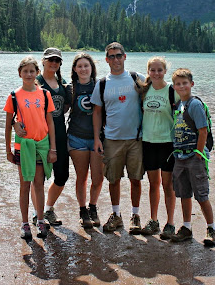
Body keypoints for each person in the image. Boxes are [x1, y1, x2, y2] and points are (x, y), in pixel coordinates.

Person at [91, 42, 145, 233]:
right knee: (113, 179)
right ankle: (116, 214)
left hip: (136, 139)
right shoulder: (102, 83)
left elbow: (157, 89)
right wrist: (98, 138)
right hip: (111, 139)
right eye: (111, 56)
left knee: (135, 179)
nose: (116, 59)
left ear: (125, 56)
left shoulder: (136, 78)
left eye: (118, 55)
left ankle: (135, 216)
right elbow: (97, 112)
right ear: (106, 60)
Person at [4, 56, 57, 240]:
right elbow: (8, 123)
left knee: (39, 184)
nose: (28, 74)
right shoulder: (14, 96)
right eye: (25, 71)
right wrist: (8, 150)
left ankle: (40, 220)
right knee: (24, 184)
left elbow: (50, 121)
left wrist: (53, 148)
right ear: (20, 73)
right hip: (23, 147)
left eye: (32, 71)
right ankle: (25, 223)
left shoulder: (44, 94)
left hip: (42, 144)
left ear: (37, 73)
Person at [169, 68, 215, 246]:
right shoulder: (178, 105)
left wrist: (198, 153)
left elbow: (203, 130)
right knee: (184, 194)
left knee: (201, 195)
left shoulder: (194, 104)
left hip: (195, 157)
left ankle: (211, 229)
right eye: (178, 84)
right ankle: (186, 228)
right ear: (174, 87)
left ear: (191, 84)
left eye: (185, 83)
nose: (182, 86)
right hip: (180, 156)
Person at [138, 57, 177, 239]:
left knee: (168, 185)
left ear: (165, 71)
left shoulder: (172, 90)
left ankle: (170, 223)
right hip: (148, 143)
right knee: (153, 184)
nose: (156, 73)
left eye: (159, 70)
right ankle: (153, 220)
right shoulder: (145, 90)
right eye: (152, 70)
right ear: (148, 72)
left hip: (168, 143)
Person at [35, 47, 71, 226]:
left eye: (57, 60)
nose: (54, 63)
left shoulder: (62, 82)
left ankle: (48, 209)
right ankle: (38, 213)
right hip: (40, 137)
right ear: (43, 61)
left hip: (60, 135)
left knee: (62, 175)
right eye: (50, 60)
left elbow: (64, 108)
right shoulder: (36, 82)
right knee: (38, 178)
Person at [67, 53, 103, 228]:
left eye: (86, 66)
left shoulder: (100, 86)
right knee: (82, 177)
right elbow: (55, 110)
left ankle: (93, 207)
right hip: (76, 138)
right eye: (79, 66)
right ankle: (83, 210)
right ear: (75, 69)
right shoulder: (69, 89)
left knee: (98, 178)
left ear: (92, 68)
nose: (83, 69)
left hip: (98, 139)